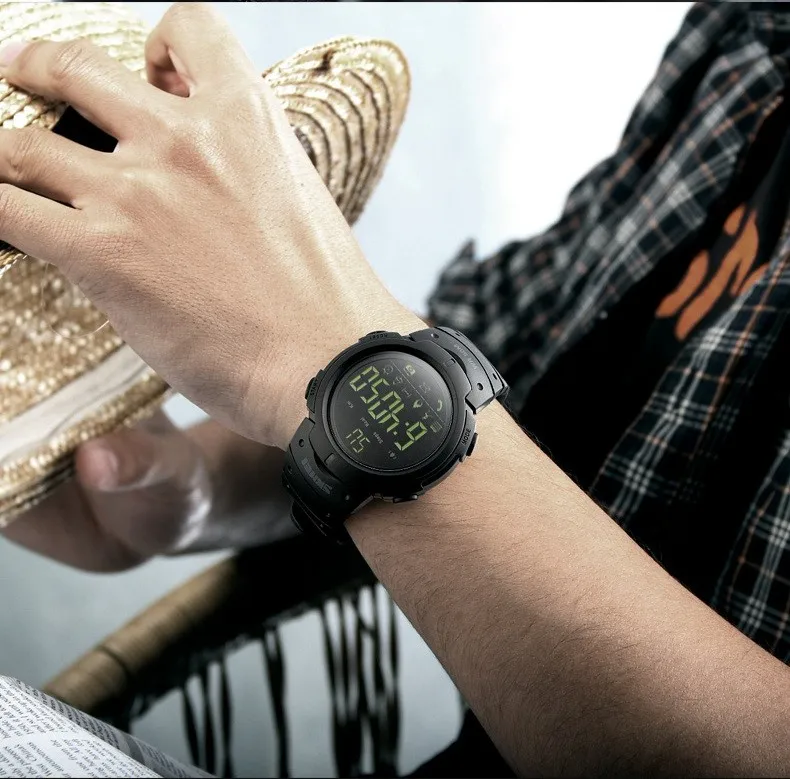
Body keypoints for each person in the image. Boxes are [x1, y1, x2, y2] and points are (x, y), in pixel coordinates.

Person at [2, 1, 790, 775]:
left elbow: (424, 391)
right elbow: (489, 366)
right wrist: (199, 488)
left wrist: (314, 343)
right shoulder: (752, 32)